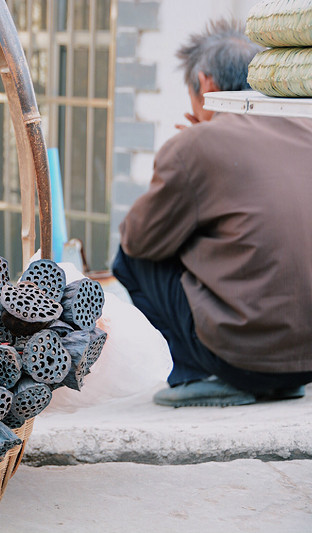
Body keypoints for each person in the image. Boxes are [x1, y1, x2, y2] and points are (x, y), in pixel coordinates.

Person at [111, 18, 312, 407]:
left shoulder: (197, 144)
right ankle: (279, 380)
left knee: (133, 255)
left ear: (205, 84)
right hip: (307, 361)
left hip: (243, 360)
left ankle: (196, 375)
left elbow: (138, 236)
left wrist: (187, 153)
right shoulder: (305, 127)